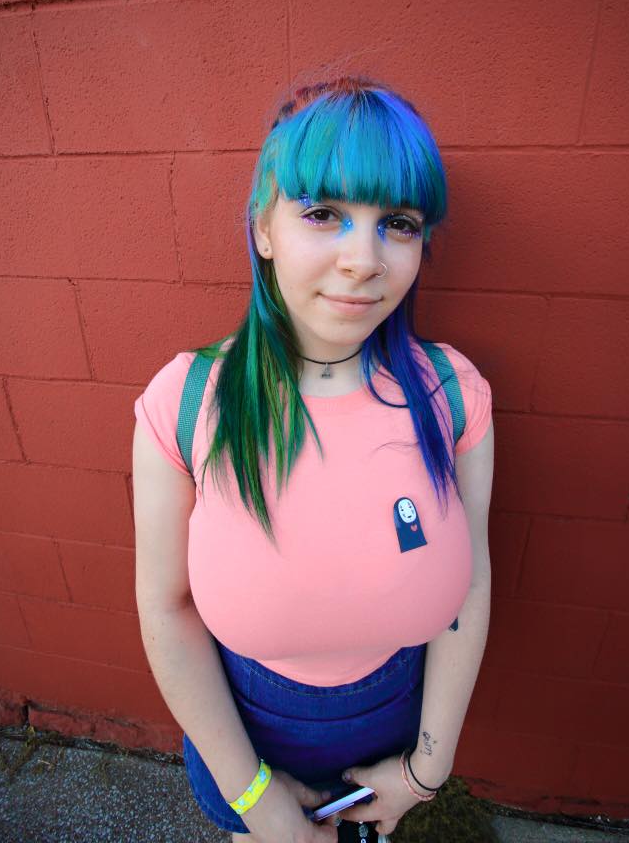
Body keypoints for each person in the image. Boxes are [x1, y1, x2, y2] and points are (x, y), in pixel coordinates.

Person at [132, 76, 494, 843]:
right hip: (243, 739)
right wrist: (253, 796)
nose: (364, 260)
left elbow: (470, 582)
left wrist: (425, 771)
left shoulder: (453, 396)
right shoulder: (186, 403)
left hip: (396, 726)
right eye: (323, 213)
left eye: (397, 223)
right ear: (263, 228)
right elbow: (166, 608)